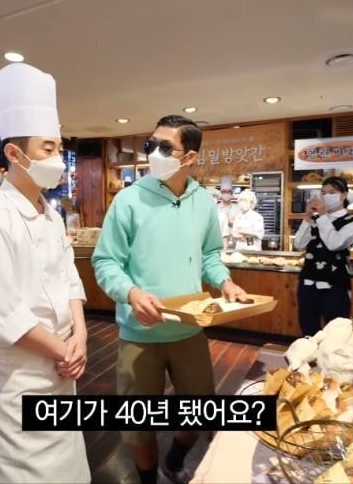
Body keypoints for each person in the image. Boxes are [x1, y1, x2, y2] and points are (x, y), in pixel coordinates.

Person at [92, 115, 248, 484]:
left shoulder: (203, 201)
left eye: (165, 147)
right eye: (151, 145)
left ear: (189, 157)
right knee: (138, 426)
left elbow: (210, 254)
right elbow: (106, 261)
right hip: (140, 332)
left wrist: (224, 281)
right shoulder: (129, 199)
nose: (153, 154)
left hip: (189, 329)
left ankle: (174, 460)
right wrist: (131, 292)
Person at [0, 63, 90, 484]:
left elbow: (69, 279)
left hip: (61, 367)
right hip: (17, 376)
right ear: (14, 155)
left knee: (68, 471)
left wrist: (81, 336)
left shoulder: (51, 214)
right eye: (47, 149)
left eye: (58, 148)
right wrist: (63, 350)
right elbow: (4, 314)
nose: (57, 159)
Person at [293, 177, 353, 336]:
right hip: (308, 282)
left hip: (335, 284)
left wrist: (323, 216)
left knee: (337, 332)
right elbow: (299, 244)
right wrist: (307, 217)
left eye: (332, 192)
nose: (326, 196)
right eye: (323, 193)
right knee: (308, 329)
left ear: (344, 195)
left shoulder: (352, 221)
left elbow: (334, 244)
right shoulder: (316, 219)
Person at [217, 182, 241, 247]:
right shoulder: (215, 208)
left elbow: (242, 225)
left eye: (229, 192)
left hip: (235, 240)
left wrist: (232, 222)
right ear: (220, 194)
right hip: (219, 240)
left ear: (232, 194)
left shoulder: (238, 208)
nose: (226, 194)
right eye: (224, 192)